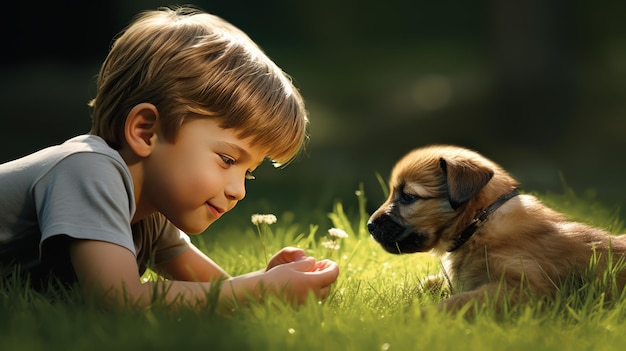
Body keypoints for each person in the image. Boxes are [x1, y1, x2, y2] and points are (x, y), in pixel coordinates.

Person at [0, 5, 339, 310]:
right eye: (226, 159)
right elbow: (118, 300)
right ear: (146, 131)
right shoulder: (87, 170)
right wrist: (260, 290)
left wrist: (270, 281)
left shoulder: (150, 213)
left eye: (248, 172)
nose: (239, 190)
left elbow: (217, 293)